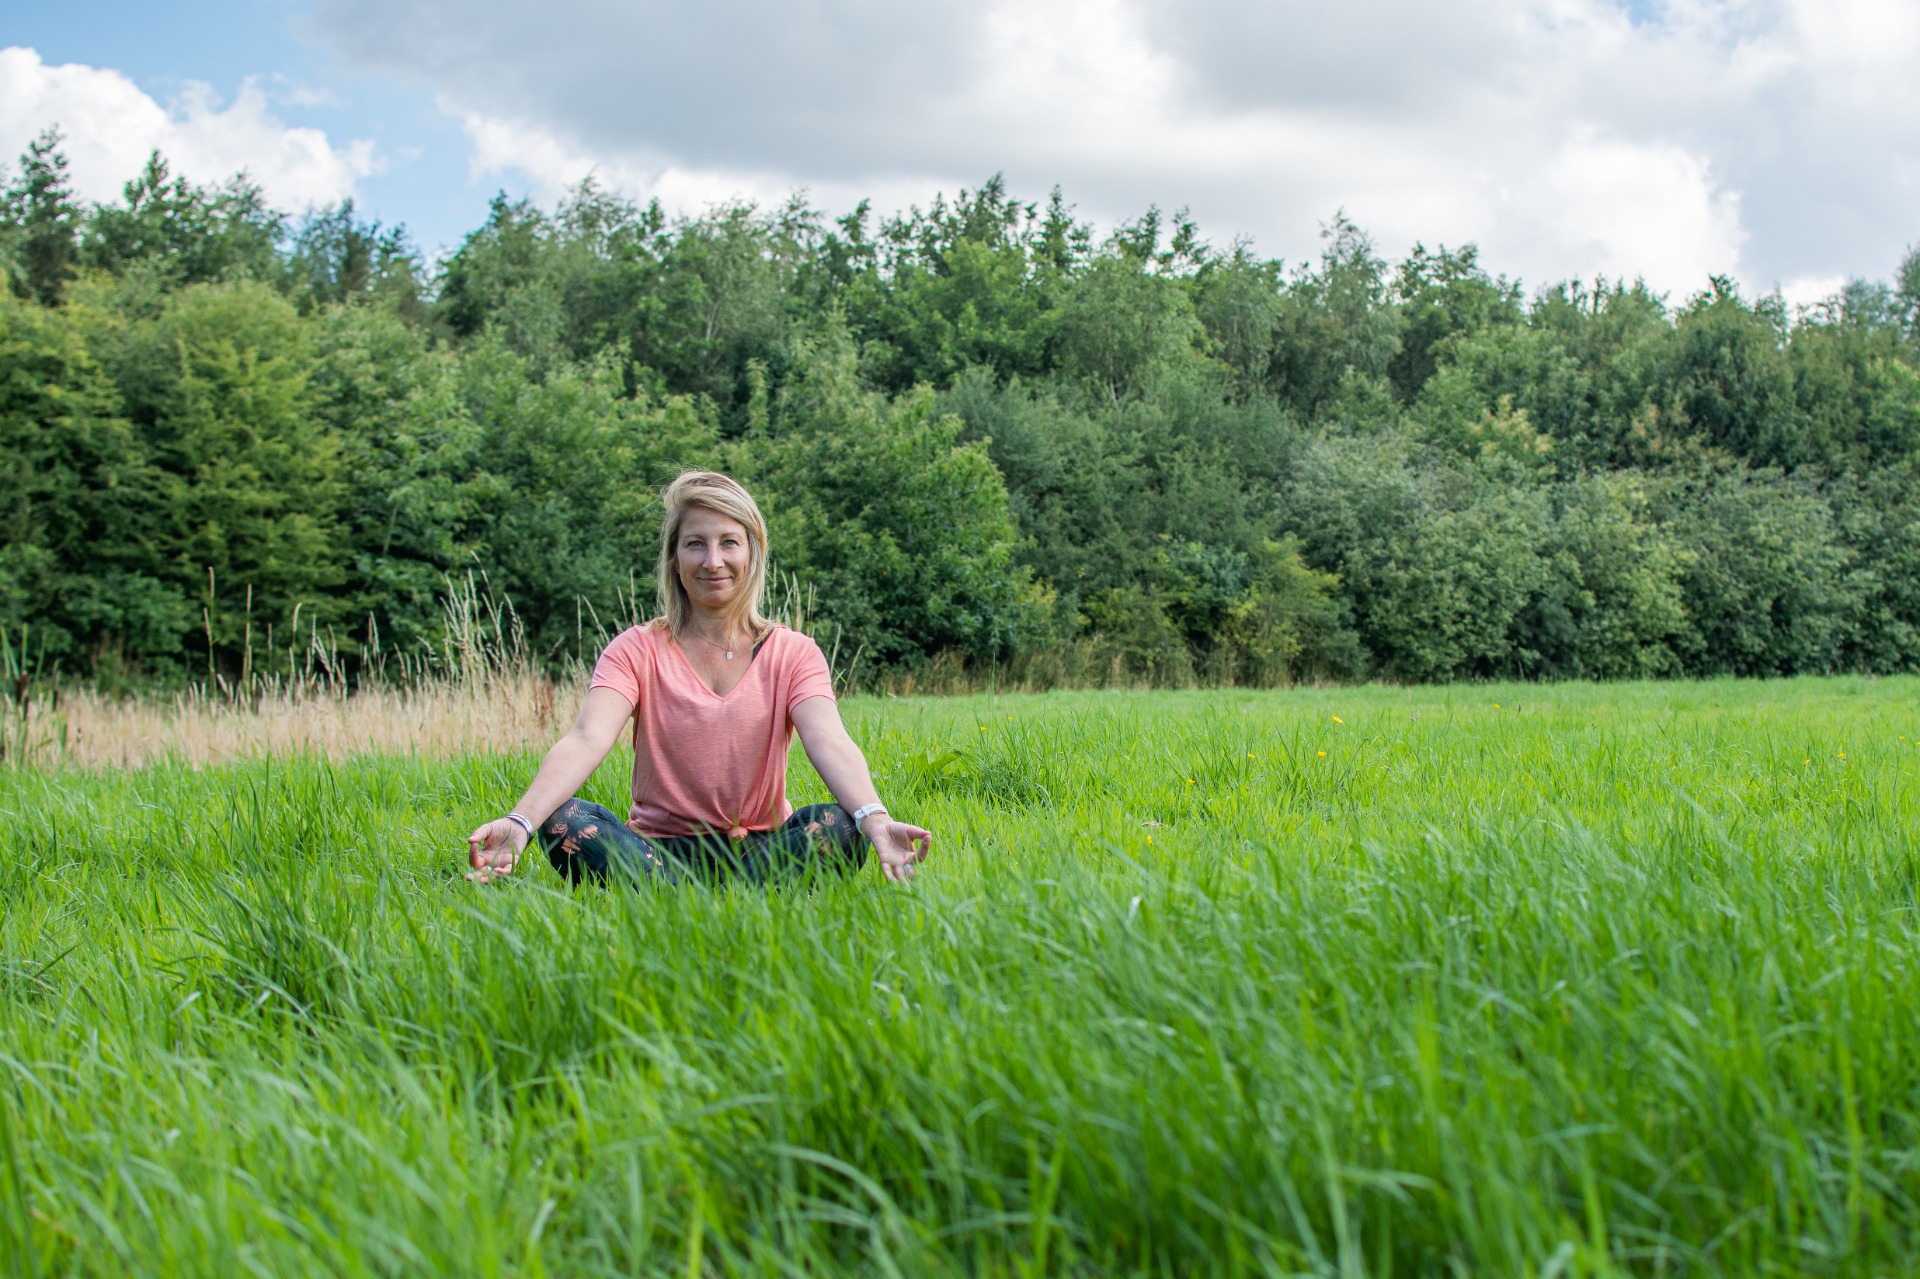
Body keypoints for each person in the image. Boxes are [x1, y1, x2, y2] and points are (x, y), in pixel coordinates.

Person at [464, 470, 932, 887]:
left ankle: (690, 901)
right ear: (674, 558)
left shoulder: (793, 652)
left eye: (729, 542)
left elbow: (828, 739)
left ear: (753, 552)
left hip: (763, 849)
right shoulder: (636, 648)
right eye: (696, 543)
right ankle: (711, 897)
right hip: (655, 853)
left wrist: (876, 818)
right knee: (563, 819)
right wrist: (521, 821)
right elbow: (587, 738)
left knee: (843, 825)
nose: (713, 561)